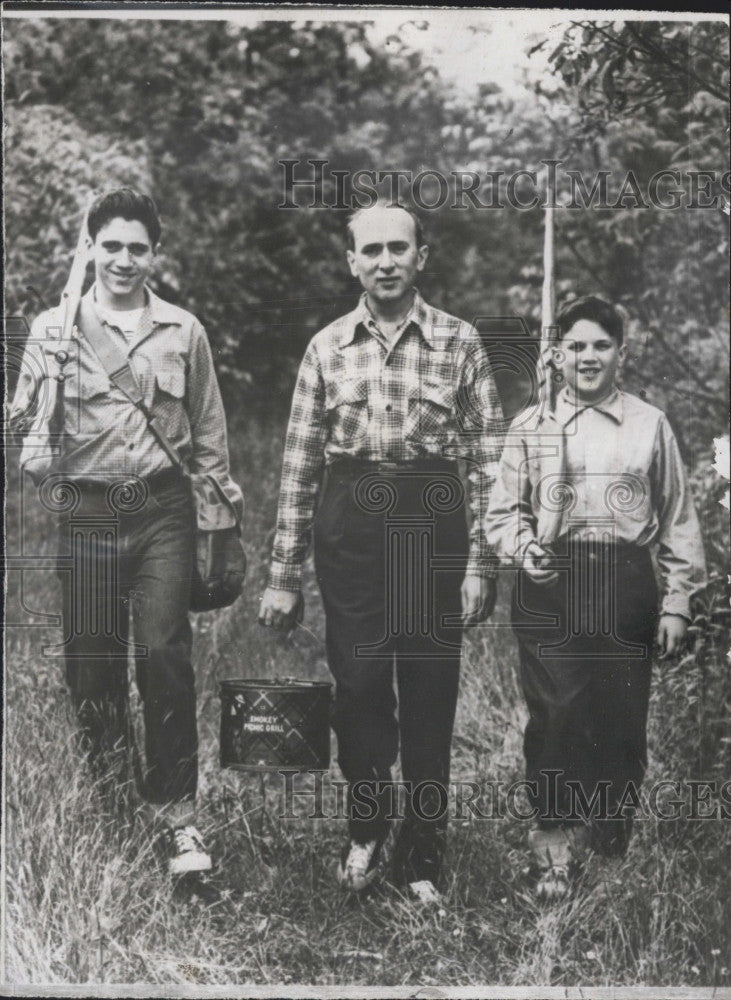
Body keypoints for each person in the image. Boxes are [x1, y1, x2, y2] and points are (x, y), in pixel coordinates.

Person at [259, 202, 505, 905]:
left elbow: (488, 460)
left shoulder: (459, 342)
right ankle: (367, 825)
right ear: (351, 262)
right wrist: (283, 576)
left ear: (421, 256)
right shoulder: (326, 347)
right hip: (351, 520)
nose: (386, 261)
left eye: (399, 247)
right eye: (371, 251)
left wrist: (479, 563)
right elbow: (300, 465)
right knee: (359, 684)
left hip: (432, 518)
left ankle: (423, 849)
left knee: (430, 690)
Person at [12, 188, 243, 875]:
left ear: (155, 254)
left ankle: (178, 818)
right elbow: (23, 433)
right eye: (109, 245)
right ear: (90, 249)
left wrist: (218, 524)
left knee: (165, 657)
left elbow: (209, 436)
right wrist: (36, 407)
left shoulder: (183, 330)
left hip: (163, 513)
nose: (123, 259)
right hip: (84, 512)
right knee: (91, 668)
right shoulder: (52, 328)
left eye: (136, 247)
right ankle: (114, 805)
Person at [485, 295, 706, 899]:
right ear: (557, 354)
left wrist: (677, 601)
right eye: (576, 345)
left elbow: (679, 518)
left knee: (620, 717)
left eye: (601, 345)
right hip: (550, 581)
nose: (588, 357)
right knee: (555, 716)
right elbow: (501, 514)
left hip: (625, 580)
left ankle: (610, 845)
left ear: (622, 354)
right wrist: (524, 546)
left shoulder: (649, 424)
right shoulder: (531, 426)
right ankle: (552, 846)